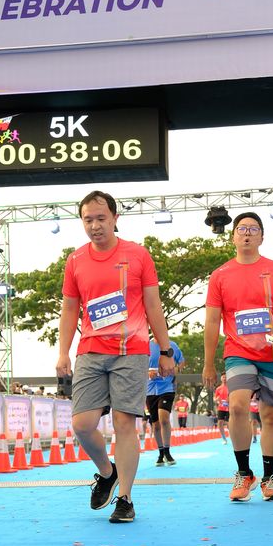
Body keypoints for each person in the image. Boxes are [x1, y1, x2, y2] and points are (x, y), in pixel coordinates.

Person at [56, 190, 174, 523]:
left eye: (101, 218)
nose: (95, 226)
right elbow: (70, 309)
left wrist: (164, 350)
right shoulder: (75, 261)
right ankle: (108, 473)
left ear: (115, 218)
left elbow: (153, 305)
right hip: (91, 351)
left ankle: (125, 499)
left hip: (131, 351)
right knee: (82, 425)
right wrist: (63, 352)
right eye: (88, 220)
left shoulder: (138, 255)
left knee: (124, 423)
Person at [203, 211, 273, 502]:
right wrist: (208, 364)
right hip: (238, 351)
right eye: (242, 229)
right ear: (233, 236)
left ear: (262, 237)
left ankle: (269, 479)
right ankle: (244, 474)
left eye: (253, 229)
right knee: (237, 406)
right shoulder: (220, 275)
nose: (247, 233)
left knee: (270, 415)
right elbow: (212, 321)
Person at [146, 338, 184, 466]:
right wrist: (148, 372)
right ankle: (161, 453)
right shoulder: (146, 345)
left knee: (164, 419)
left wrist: (176, 369)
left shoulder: (172, 345)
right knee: (156, 424)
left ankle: (167, 452)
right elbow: (137, 367)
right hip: (150, 390)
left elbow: (182, 362)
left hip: (167, 388)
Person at [214, 372, 229, 444]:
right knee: (220, 423)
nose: (224, 378)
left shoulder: (231, 387)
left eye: (226, 377)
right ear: (221, 378)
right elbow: (215, 398)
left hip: (229, 408)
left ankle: (233, 436)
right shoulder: (218, 389)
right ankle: (223, 438)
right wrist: (216, 400)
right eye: (223, 377)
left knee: (229, 423)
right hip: (221, 408)